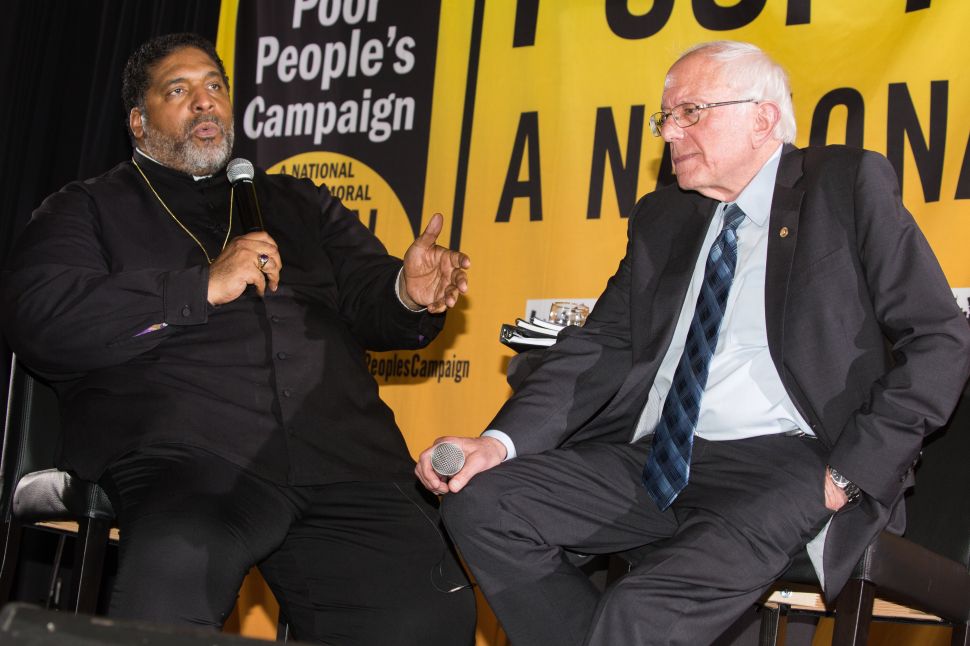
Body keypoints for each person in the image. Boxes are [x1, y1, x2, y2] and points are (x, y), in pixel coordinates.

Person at [416, 40, 970, 645]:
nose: (670, 134)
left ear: (762, 117)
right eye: (664, 118)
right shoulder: (665, 218)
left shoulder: (843, 186)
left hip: (789, 463)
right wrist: (498, 445)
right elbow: (601, 345)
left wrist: (851, 471)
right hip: (659, 458)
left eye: (690, 112)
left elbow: (940, 337)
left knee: (641, 612)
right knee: (483, 504)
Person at [1, 33, 476, 645]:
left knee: (430, 613)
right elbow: (39, 315)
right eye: (180, 90)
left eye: (215, 87)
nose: (205, 103)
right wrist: (198, 288)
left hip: (343, 456)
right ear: (139, 123)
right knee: (169, 584)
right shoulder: (87, 209)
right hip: (191, 455)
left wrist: (407, 292)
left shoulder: (300, 202)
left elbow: (371, 299)